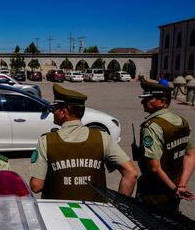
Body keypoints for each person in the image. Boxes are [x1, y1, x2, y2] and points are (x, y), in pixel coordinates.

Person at [30, 84, 138, 202]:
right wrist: (119, 206)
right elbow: (131, 173)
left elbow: (36, 186)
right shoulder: (102, 137)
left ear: (63, 112)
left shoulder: (46, 141)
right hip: (96, 215)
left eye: (55, 108)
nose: (53, 112)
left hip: (60, 215)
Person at [135, 80, 194, 210]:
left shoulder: (153, 127)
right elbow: (191, 155)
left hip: (153, 194)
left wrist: (174, 189)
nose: (142, 102)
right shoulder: (181, 121)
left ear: (162, 101)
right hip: (175, 191)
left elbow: (154, 168)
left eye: (148, 99)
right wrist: (181, 186)